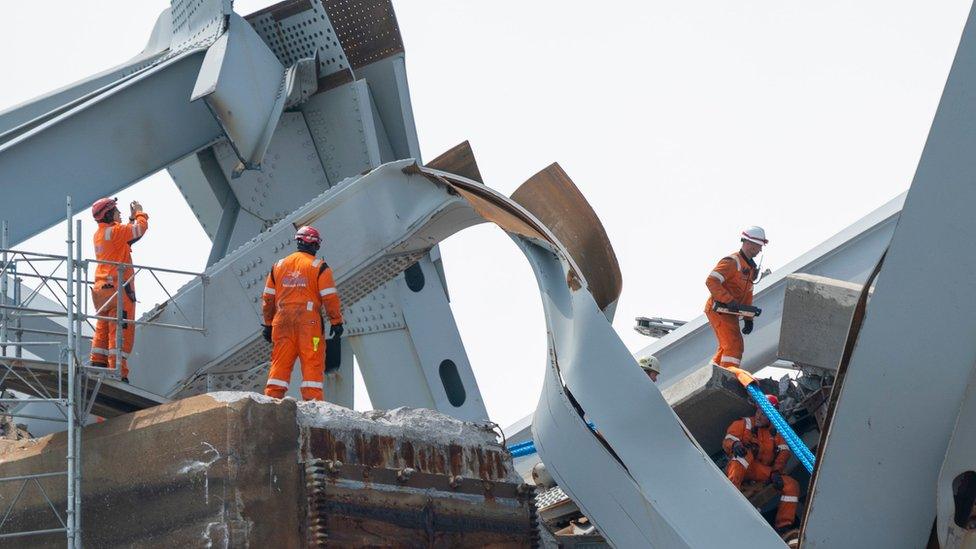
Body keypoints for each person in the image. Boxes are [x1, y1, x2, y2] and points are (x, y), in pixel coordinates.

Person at [261, 226, 344, 400]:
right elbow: (330, 298)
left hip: (281, 323)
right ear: (315, 245)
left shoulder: (278, 266)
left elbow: (268, 299)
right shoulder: (319, 267)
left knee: (280, 363)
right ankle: (313, 405)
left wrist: (268, 324)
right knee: (312, 361)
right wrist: (336, 322)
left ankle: (272, 401)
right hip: (310, 325)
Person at [88, 198, 149, 383]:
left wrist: (129, 220)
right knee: (120, 330)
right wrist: (139, 212)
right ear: (108, 214)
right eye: (116, 210)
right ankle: (118, 373)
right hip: (118, 288)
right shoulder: (115, 232)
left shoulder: (100, 234)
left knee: (103, 327)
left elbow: (127, 238)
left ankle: (98, 364)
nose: (119, 213)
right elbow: (140, 229)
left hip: (102, 288)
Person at [723, 394, 800, 530]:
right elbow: (728, 439)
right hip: (741, 467)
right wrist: (735, 445)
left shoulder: (776, 433)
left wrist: (776, 471)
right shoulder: (744, 424)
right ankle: (732, 495)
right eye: (758, 412)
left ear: (771, 417)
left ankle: (784, 526)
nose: (758, 416)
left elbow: (784, 452)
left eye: (763, 414)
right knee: (744, 455)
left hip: (760, 471)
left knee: (791, 485)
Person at [704, 226, 767, 370]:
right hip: (719, 309)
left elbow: (747, 294)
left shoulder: (749, 268)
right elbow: (711, 281)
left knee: (726, 346)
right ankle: (727, 377)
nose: (760, 250)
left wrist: (748, 318)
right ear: (750, 243)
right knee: (734, 345)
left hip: (729, 310)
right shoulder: (732, 262)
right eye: (759, 246)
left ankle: (714, 373)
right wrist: (728, 300)